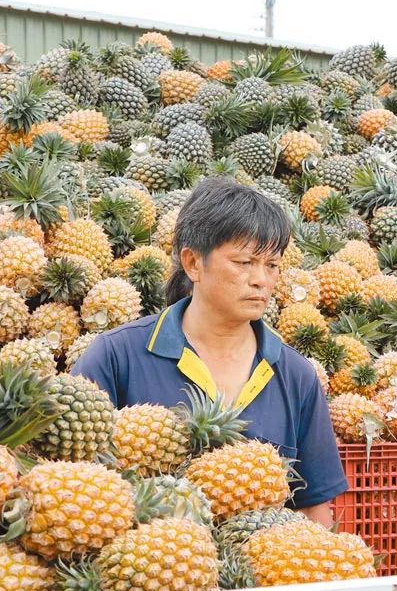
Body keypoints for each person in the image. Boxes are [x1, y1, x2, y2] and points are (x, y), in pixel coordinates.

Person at [71, 178, 347, 525]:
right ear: (192, 263)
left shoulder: (296, 375)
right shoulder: (115, 356)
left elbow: (312, 507)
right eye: (244, 262)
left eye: (272, 265)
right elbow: (75, 485)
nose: (261, 279)